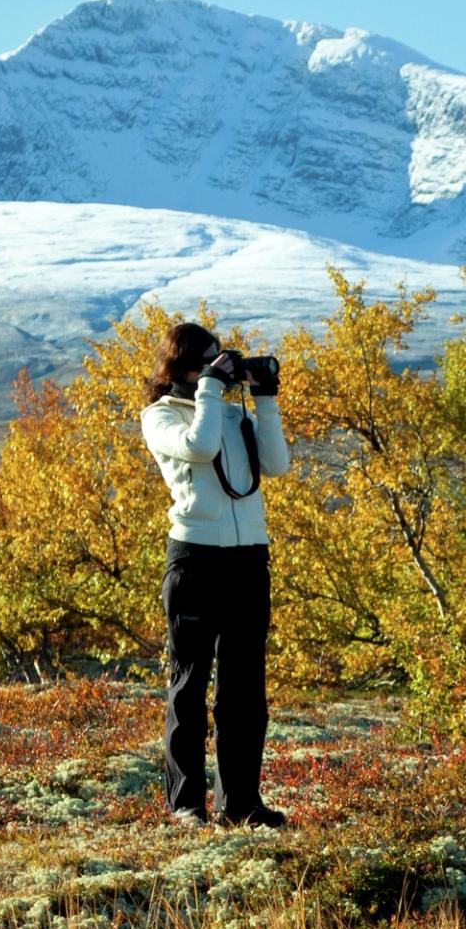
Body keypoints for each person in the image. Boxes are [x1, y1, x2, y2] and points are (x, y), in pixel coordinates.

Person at [140, 320, 291, 828]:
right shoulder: (160, 416)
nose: (219, 369)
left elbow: (277, 464)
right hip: (195, 558)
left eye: (221, 360)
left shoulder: (230, 413)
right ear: (181, 367)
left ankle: (241, 803)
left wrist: (264, 399)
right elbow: (200, 447)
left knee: (244, 691)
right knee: (189, 686)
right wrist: (210, 387)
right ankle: (186, 804)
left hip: (248, 557)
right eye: (208, 362)